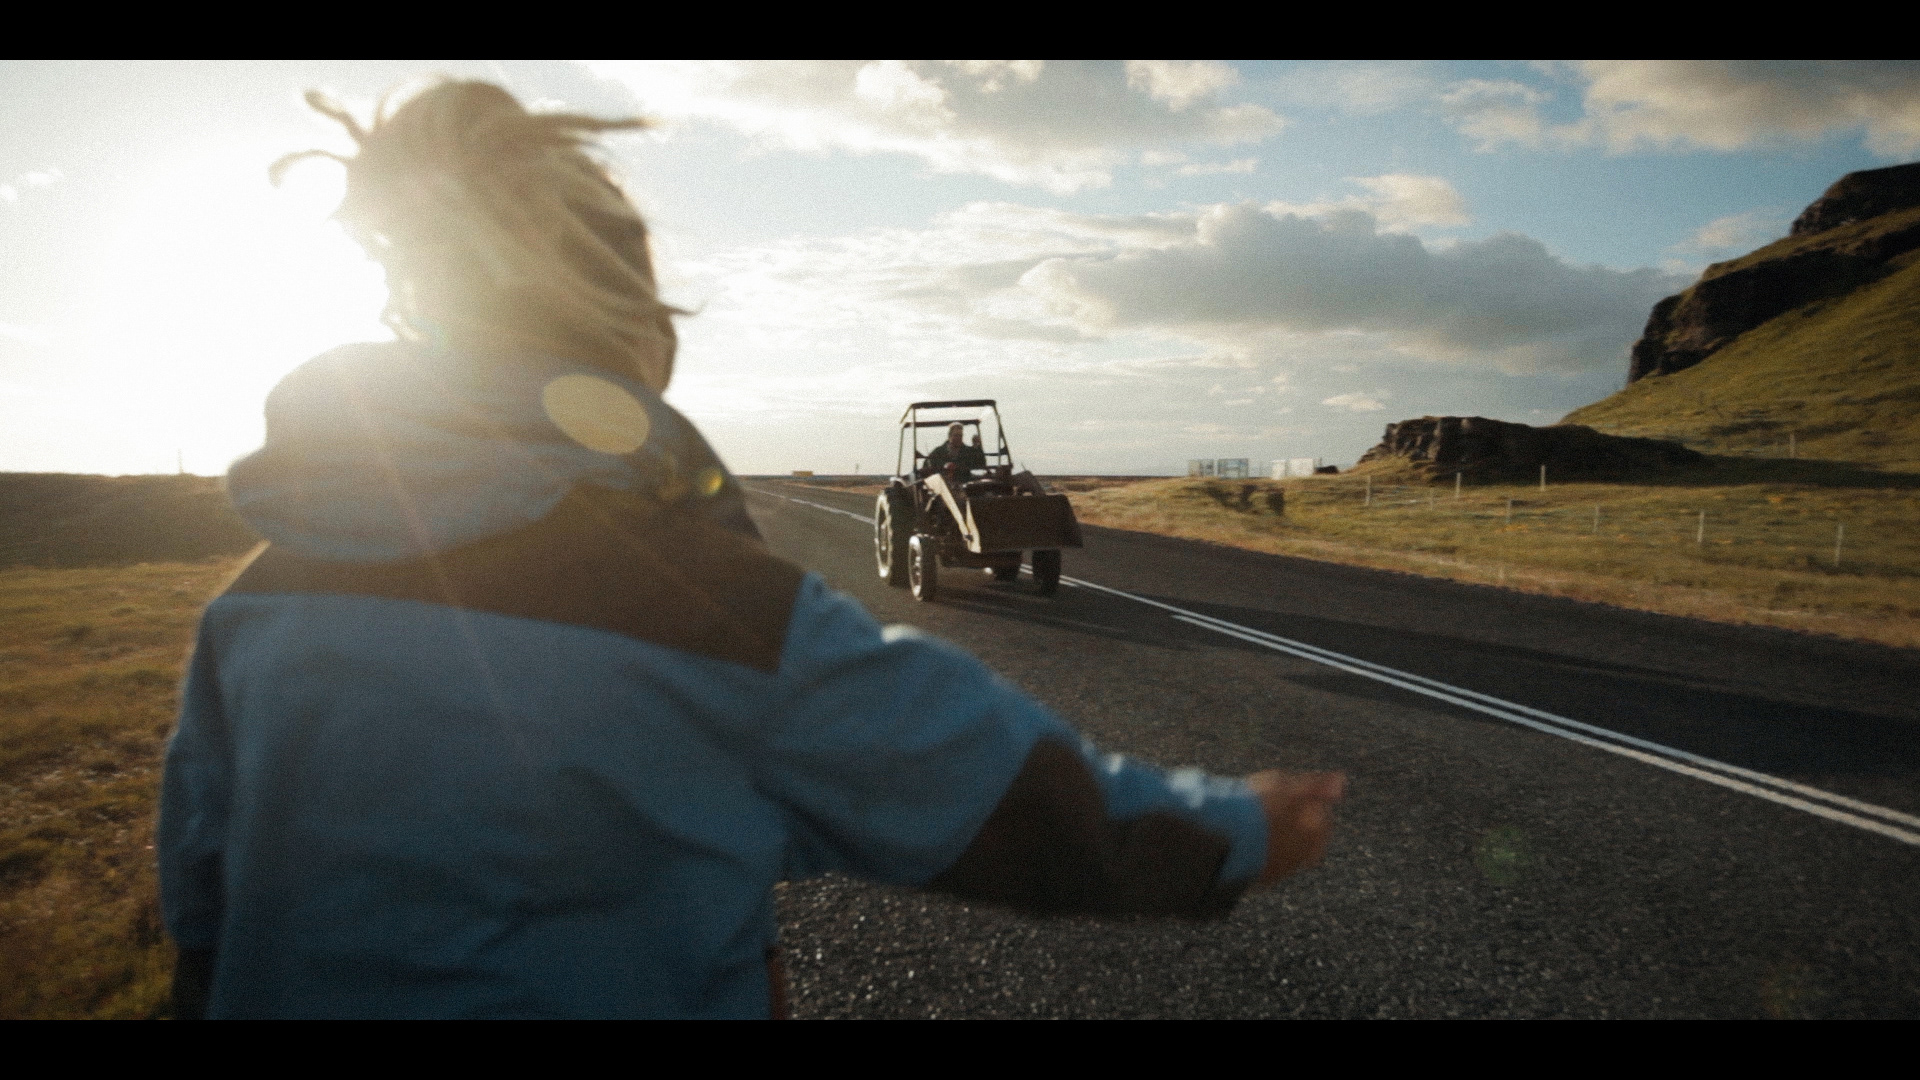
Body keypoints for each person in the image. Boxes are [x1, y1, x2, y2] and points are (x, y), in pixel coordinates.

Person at [157, 81, 1345, 1020]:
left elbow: (202, 900)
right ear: (628, 336)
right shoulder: (706, 605)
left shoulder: (258, 602)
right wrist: (1239, 832)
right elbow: (970, 778)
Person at [921, 422, 987, 478]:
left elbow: (981, 466)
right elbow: (926, 467)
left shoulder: (969, 451)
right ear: (949, 436)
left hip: (965, 483)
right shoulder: (938, 451)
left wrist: (977, 447)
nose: (958, 438)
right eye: (956, 435)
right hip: (943, 484)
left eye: (960, 435)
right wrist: (944, 466)